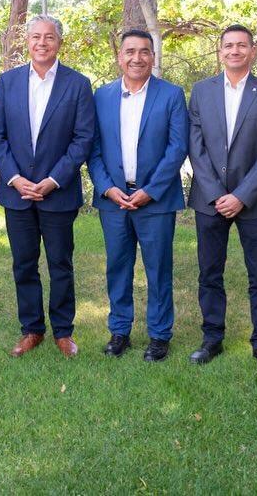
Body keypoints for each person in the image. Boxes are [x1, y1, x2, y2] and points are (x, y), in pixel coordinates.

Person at [0, 15, 95, 358]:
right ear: (27, 41)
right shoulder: (8, 81)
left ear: (59, 42)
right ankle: (32, 330)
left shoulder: (78, 84)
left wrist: (52, 180)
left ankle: (63, 332)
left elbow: (83, 139)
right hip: (16, 192)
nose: (42, 43)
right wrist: (15, 178)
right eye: (36, 37)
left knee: (60, 263)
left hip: (58, 192)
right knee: (24, 263)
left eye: (49, 37)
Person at [187, 24, 257, 372]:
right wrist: (218, 194)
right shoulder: (201, 91)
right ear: (220, 51)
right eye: (228, 45)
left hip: (254, 200)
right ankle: (211, 338)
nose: (234, 51)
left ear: (253, 51)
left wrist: (241, 196)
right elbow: (195, 147)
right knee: (209, 273)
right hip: (209, 199)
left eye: (241, 45)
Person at [87, 29, 188, 362]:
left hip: (155, 201)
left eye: (144, 51)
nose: (137, 58)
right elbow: (93, 148)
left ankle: (159, 335)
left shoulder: (172, 95)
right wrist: (107, 188)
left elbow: (177, 148)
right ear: (120, 57)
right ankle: (120, 331)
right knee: (118, 267)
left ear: (153, 57)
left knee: (158, 269)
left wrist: (150, 190)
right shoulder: (102, 96)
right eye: (130, 51)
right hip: (113, 199)